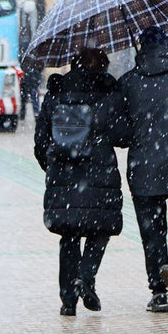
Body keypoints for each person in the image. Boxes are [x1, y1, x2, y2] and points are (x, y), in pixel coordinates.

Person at [108, 26, 168, 313]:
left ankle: (158, 293)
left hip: (145, 170)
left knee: (152, 232)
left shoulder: (128, 83)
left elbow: (120, 133)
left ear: (141, 48)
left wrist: (141, 130)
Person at [33, 47, 123, 316]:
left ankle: (68, 301)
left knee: (69, 236)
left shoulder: (56, 92)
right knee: (100, 230)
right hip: (100, 174)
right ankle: (85, 277)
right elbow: (122, 135)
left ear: (73, 62)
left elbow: (40, 142)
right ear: (103, 65)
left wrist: (53, 166)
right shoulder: (109, 93)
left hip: (64, 175)